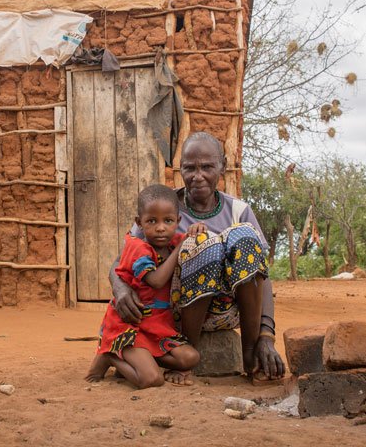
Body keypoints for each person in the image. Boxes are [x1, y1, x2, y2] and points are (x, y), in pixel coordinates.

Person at [110, 132, 286, 384]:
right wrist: (120, 289)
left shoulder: (239, 210)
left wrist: (266, 336)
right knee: (202, 244)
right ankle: (187, 354)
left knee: (245, 236)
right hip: (172, 311)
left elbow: (261, 276)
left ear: (222, 167)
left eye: (207, 167)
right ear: (180, 169)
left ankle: (249, 354)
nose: (198, 176)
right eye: (189, 168)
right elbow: (121, 260)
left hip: (228, 310)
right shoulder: (163, 207)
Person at [85, 184, 201, 388]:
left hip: (157, 327)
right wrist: (181, 247)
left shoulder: (173, 242)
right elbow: (155, 281)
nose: (160, 228)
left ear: (178, 221)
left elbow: (191, 239)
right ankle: (112, 354)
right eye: (151, 221)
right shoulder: (138, 249)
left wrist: (196, 230)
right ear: (139, 223)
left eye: (168, 221)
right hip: (131, 325)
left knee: (190, 357)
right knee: (152, 379)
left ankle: (140, 360)